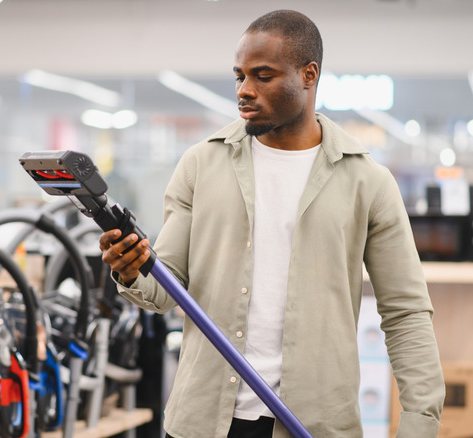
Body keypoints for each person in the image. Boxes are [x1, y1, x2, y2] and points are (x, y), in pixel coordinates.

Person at [99, 9, 445, 438]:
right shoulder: (201, 164)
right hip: (204, 421)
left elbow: (406, 312)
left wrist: (419, 423)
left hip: (313, 424)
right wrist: (132, 269)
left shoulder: (367, 182)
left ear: (308, 75)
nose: (245, 90)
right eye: (240, 76)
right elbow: (165, 290)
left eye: (262, 76)